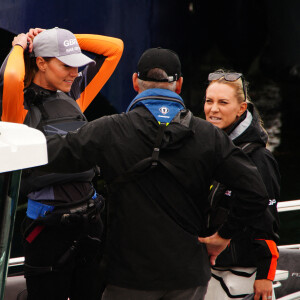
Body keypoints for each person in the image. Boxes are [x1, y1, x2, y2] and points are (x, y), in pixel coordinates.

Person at [41, 47, 270, 300]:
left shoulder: (109, 130)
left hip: (127, 278)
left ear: (135, 83)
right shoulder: (209, 136)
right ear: (179, 84)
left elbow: (48, 154)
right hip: (188, 277)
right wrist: (223, 235)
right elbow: (256, 193)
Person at [0, 27, 123, 300]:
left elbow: (115, 48)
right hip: (47, 232)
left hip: (90, 225)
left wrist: (62, 41)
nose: (75, 73)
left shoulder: (74, 97)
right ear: (41, 62)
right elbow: (11, 75)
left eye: (77, 65)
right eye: (66, 64)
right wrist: (21, 45)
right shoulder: (18, 106)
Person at [202, 69, 280, 300]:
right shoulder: (207, 150)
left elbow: (267, 219)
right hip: (208, 273)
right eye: (209, 101)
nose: (213, 109)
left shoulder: (259, 159)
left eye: (222, 102)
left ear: (241, 108)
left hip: (243, 277)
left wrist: (265, 276)